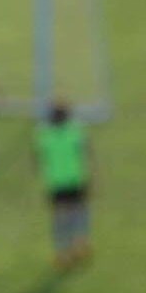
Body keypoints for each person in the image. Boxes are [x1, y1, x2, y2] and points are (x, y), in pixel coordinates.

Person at [35, 101, 93, 268]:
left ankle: (62, 252)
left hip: (56, 183)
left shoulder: (44, 136)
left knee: (60, 219)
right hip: (75, 180)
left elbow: (40, 159)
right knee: (79, 213)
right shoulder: (75, 132)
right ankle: (80, 243)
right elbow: (85, 153)